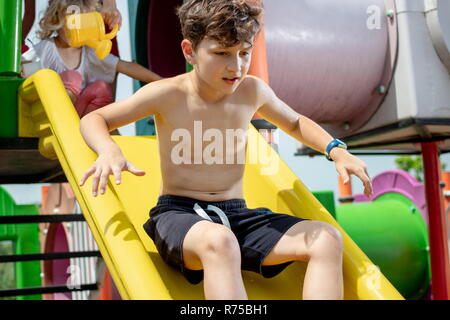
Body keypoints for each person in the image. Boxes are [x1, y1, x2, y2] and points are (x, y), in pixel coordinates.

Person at [79, 0, 373, 300]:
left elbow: (296, 123)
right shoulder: (168, 93)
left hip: (238, 217)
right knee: (220, 241)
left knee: (326, 238)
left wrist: (336, 150)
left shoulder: (251, 91)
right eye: (221, 54)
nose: (236, 66)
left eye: (244, 53)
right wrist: (108, 150)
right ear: (189, 51)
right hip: (180, 216)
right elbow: (95, 118)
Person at [21, 0, 162, 119]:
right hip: (54, 115)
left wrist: (160, 80)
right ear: (57, 19)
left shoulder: (89, 52)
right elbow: (22, 66)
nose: (75, 29)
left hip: (80, 115)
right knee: (72, 77)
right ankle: (68, 122)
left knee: (102, 88)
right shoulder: (47, 48)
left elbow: (125, 66)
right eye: (71, 22)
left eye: (82, 24)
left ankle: (91, 126)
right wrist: (23, 69)